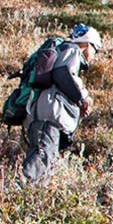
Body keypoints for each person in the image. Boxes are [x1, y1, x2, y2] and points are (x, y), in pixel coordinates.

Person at [22, 25, 101, 185]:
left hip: (38, 114)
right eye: (96, 49)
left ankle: (28, 198)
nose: (94, 55)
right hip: (50, 115)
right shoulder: (72, 50)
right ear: (87, 43)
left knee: (46, 162)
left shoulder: (60, 50)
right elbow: (62, 72)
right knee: (42, 157)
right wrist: (82, 98)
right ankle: (14, 190)